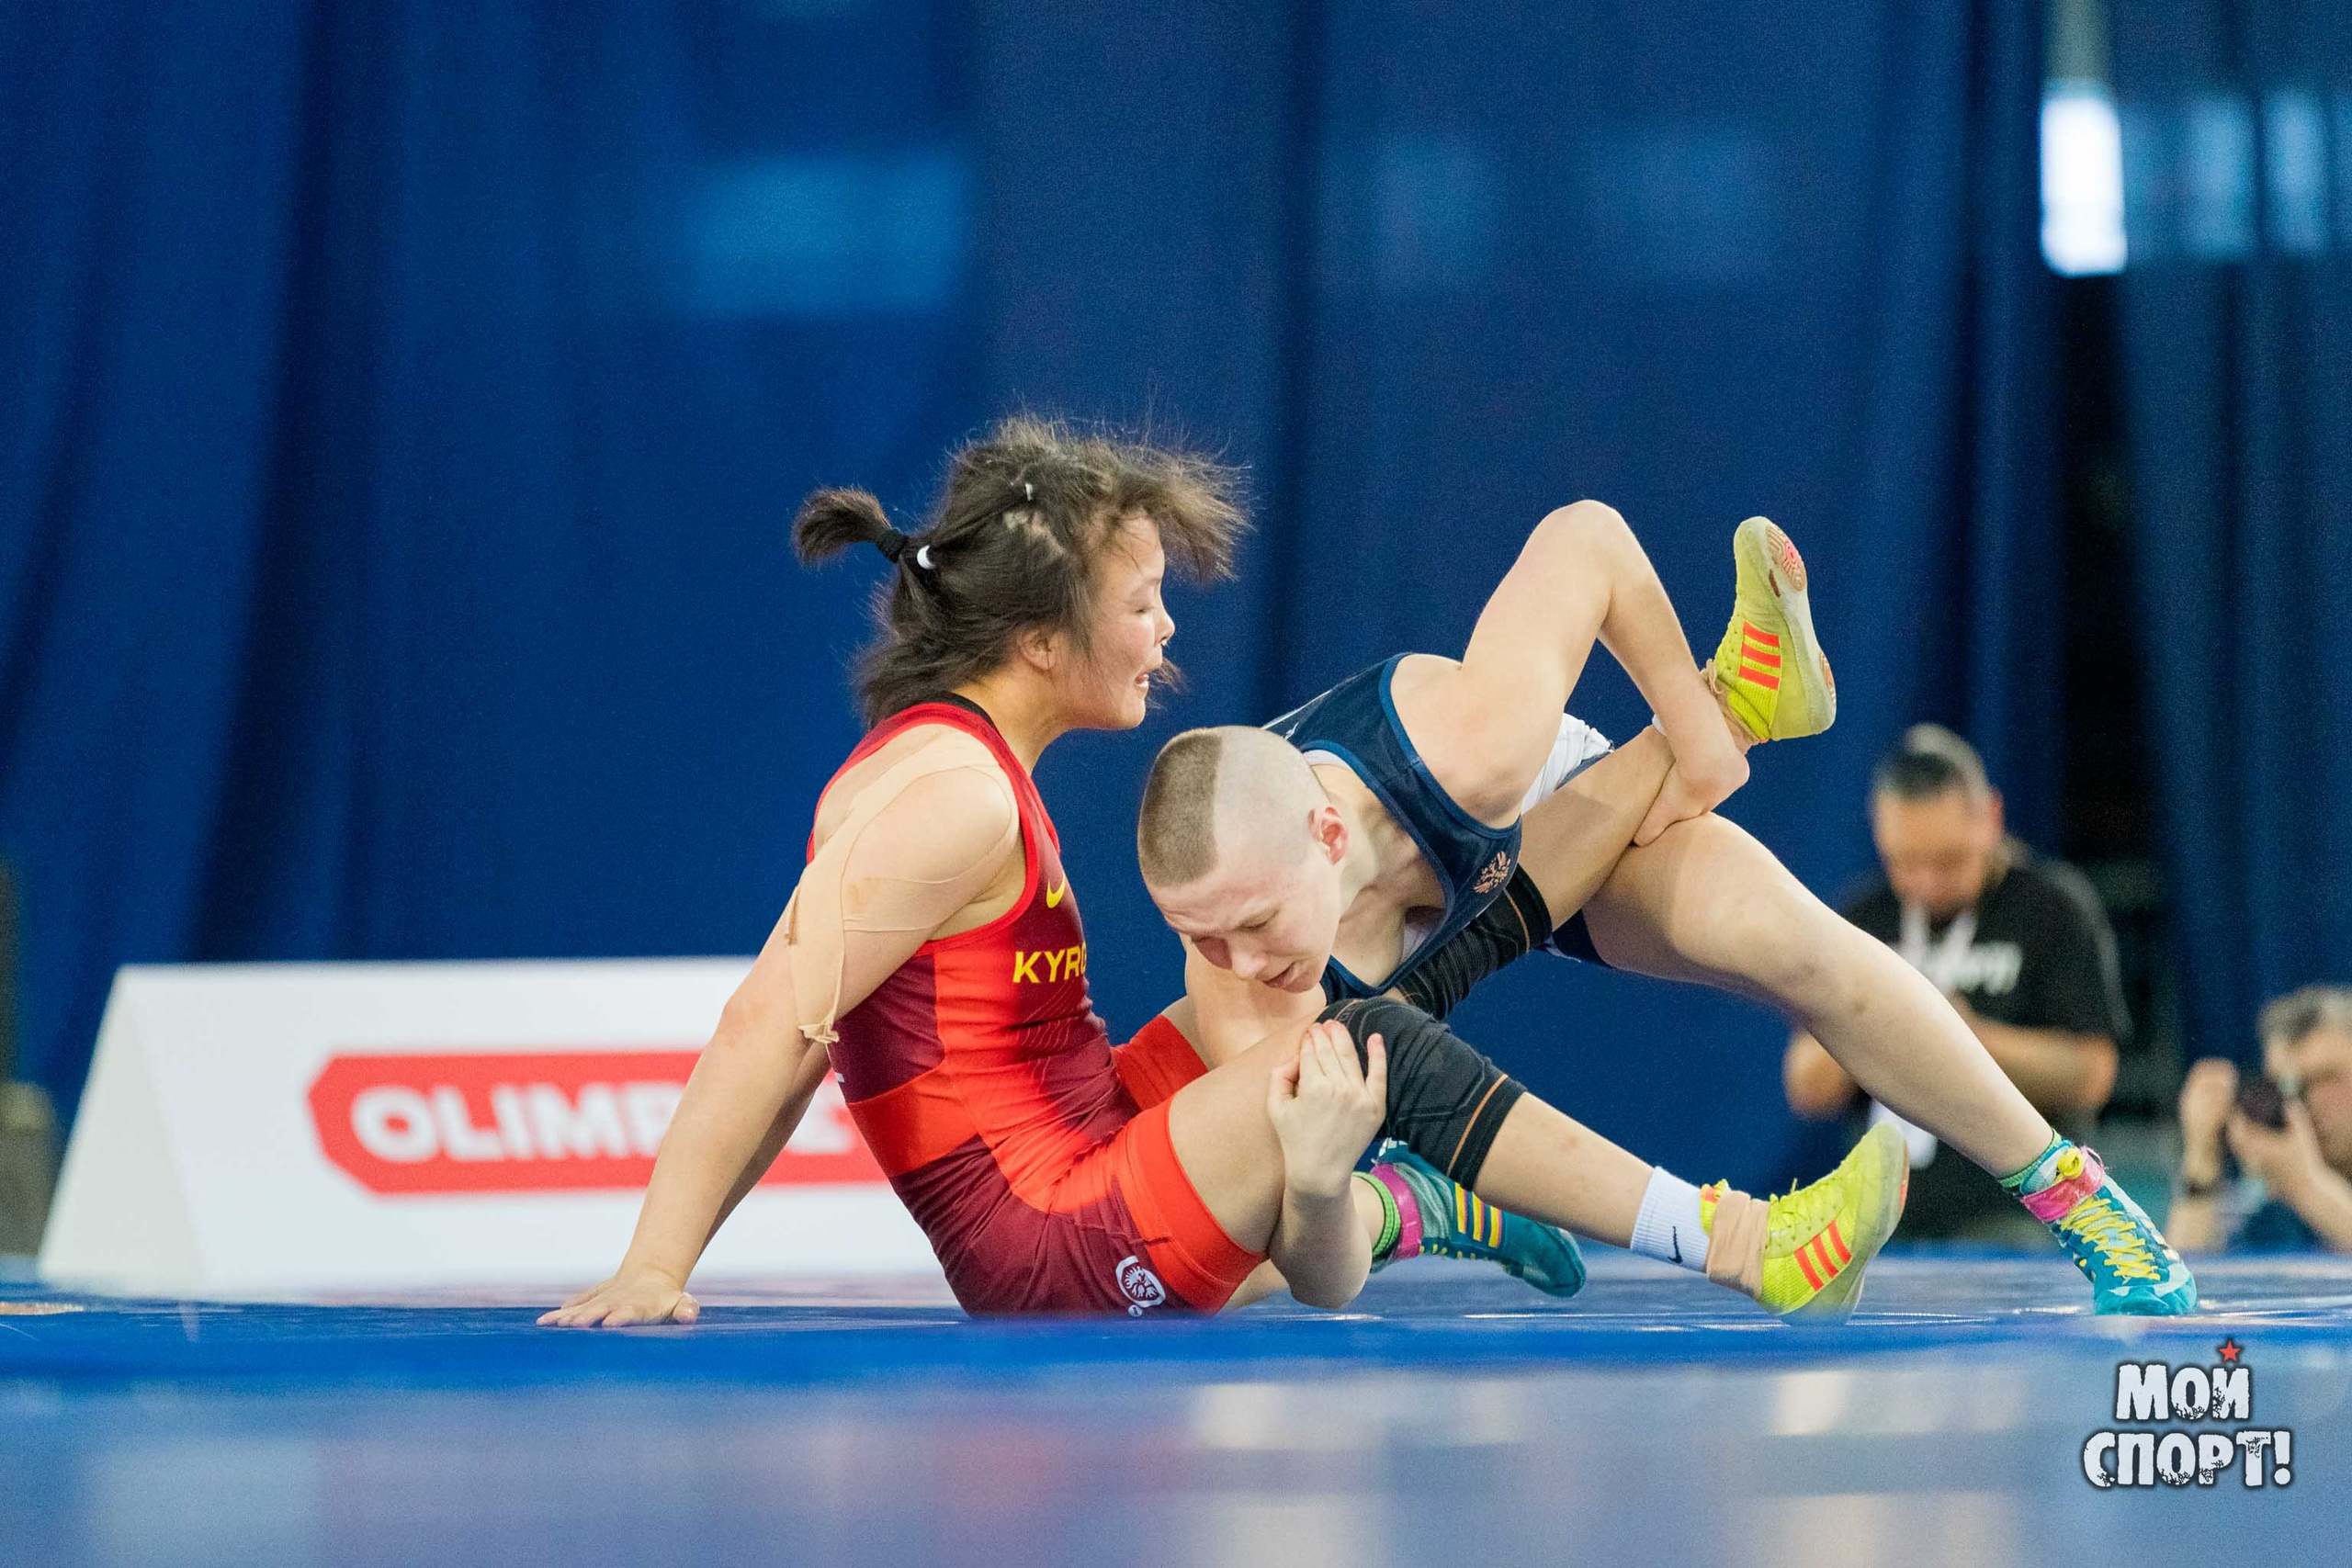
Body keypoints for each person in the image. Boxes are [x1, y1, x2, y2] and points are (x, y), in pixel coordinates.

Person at [543, 421, 1898, 1326]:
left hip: (1086, 1129)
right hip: (1045, 1232)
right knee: (1359, 1042)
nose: (1163, 627)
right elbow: (775, 1020)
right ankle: (1735, 1242)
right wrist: (657, 1263)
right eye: (1138, 602)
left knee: (1301, 1015)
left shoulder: (948, 761)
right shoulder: (950, 795)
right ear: (1037, 640)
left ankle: (1401, 1198)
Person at [1131, 511, 2195, 1315]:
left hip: (1512, 826)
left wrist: (1694, 738)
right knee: (1231, 1262)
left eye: (1253, 924)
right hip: (1416, 962)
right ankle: (1428, 1206)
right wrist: (1320, 1190)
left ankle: (2082, 1201)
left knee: (1788, 941)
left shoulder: (1472, 745)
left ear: (1323, 840)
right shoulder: (1237, 987)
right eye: (1197, 935)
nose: (1235, 959)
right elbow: (1317, 1278)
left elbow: (1586, 539)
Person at [1783, 726, 2134, 1243]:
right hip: (1880, 1221)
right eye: (1903, 862)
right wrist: (1873, 1020)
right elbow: (1805, 1087)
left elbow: (2091, 1075)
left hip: (2013, 1215)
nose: (1925, 883)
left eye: (1948, 861)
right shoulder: (1863, 917)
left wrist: (1959, 1034)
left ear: (1990, 818)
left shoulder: (2051, 910)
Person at [2170, 986, 2352, 1253]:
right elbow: (2180, 1281)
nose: (2307, 1104)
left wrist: (2307, 1186)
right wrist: (2201, 1163)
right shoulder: (2266, 1212)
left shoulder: (2300, 1190)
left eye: (2327, 1078)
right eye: (2289, 1086)